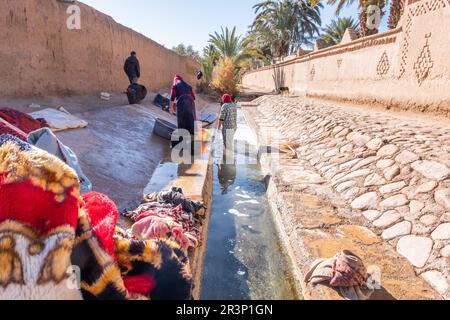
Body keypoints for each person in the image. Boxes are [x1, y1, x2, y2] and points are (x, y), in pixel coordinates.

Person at [169, 75, 197, 150]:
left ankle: (182, 145)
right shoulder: (187, 85)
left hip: (182, 102)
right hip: (191, 102)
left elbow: (172, 97)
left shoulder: (175, 84)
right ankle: (192, 144)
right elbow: (193, 97)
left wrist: (171, 107)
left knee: (181, 121)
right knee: (190, 121)